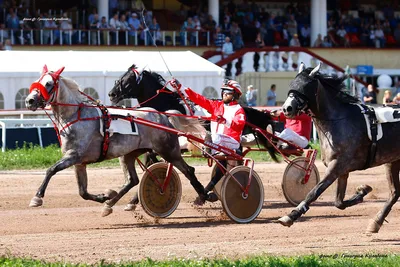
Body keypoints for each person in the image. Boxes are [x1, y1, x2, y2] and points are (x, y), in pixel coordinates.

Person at [171, 79, 246, 203]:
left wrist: (225, 120)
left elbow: (239, 124)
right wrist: (181, 88)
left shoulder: (239, 109)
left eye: (227, 92)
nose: (224, 94)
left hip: (232, 141)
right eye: (223, 91)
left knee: (213, 137)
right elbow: (199, 99)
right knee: (191, 137)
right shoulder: (217, 106)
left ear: (235, 95)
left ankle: (209, 146)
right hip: (218, 143)